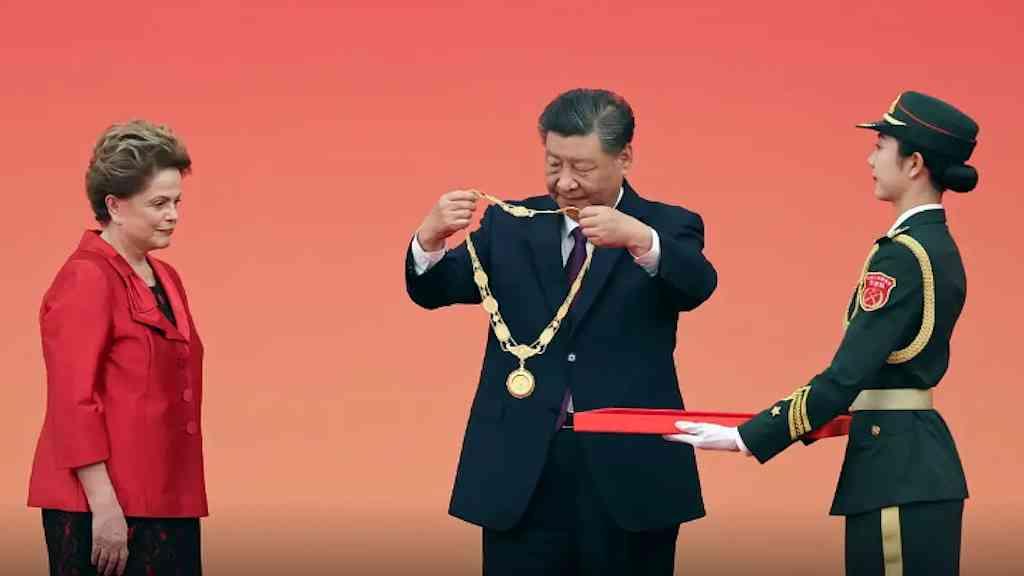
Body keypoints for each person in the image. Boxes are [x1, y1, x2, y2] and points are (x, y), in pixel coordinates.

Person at [405, 88, 717, 575]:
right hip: (521, 471)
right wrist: (429, 237)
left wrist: (638, 238)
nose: (565, 182)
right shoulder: (510, 224)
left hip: (630, 472)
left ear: (624, 157)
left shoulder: (667, 226)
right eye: (554, 164)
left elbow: (696, 285)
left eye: (582, 168)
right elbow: (435, 289)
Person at [665, 91, 978, 575]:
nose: (871, 159)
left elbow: (846, 377)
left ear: (914, 163)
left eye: (881, 146)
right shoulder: (931, 245)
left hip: (895, 471)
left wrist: (747, 437)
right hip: (907, 464)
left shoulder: (903, 255)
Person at [28, 120, 208, 576]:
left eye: (177, 202)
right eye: (159, 204)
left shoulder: (166, 277)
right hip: (102, 508)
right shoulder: (86, 277)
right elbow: (73, 400)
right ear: (114, 205)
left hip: (166, 500)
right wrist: (104, 507)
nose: (173, 215)